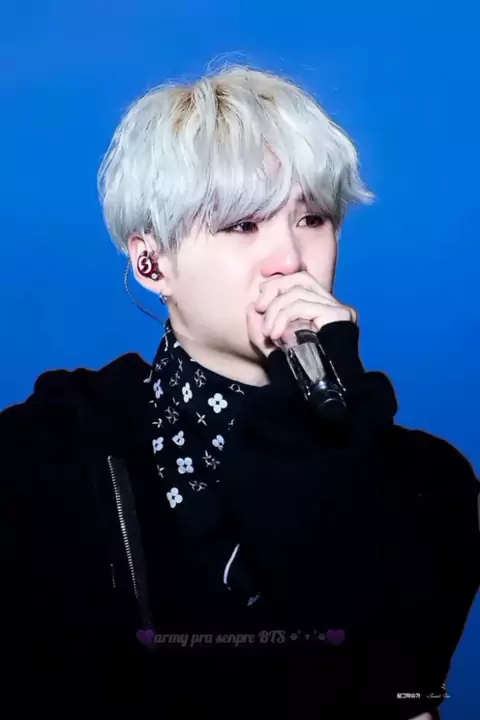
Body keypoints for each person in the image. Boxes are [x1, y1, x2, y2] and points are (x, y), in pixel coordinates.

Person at [2, 63, 478, 719]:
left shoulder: (430, 484)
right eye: (243, 225)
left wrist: (325, 414)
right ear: (151, 263)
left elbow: (389, 686)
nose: (289, 260)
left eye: (313, 218)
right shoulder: (44, 459)